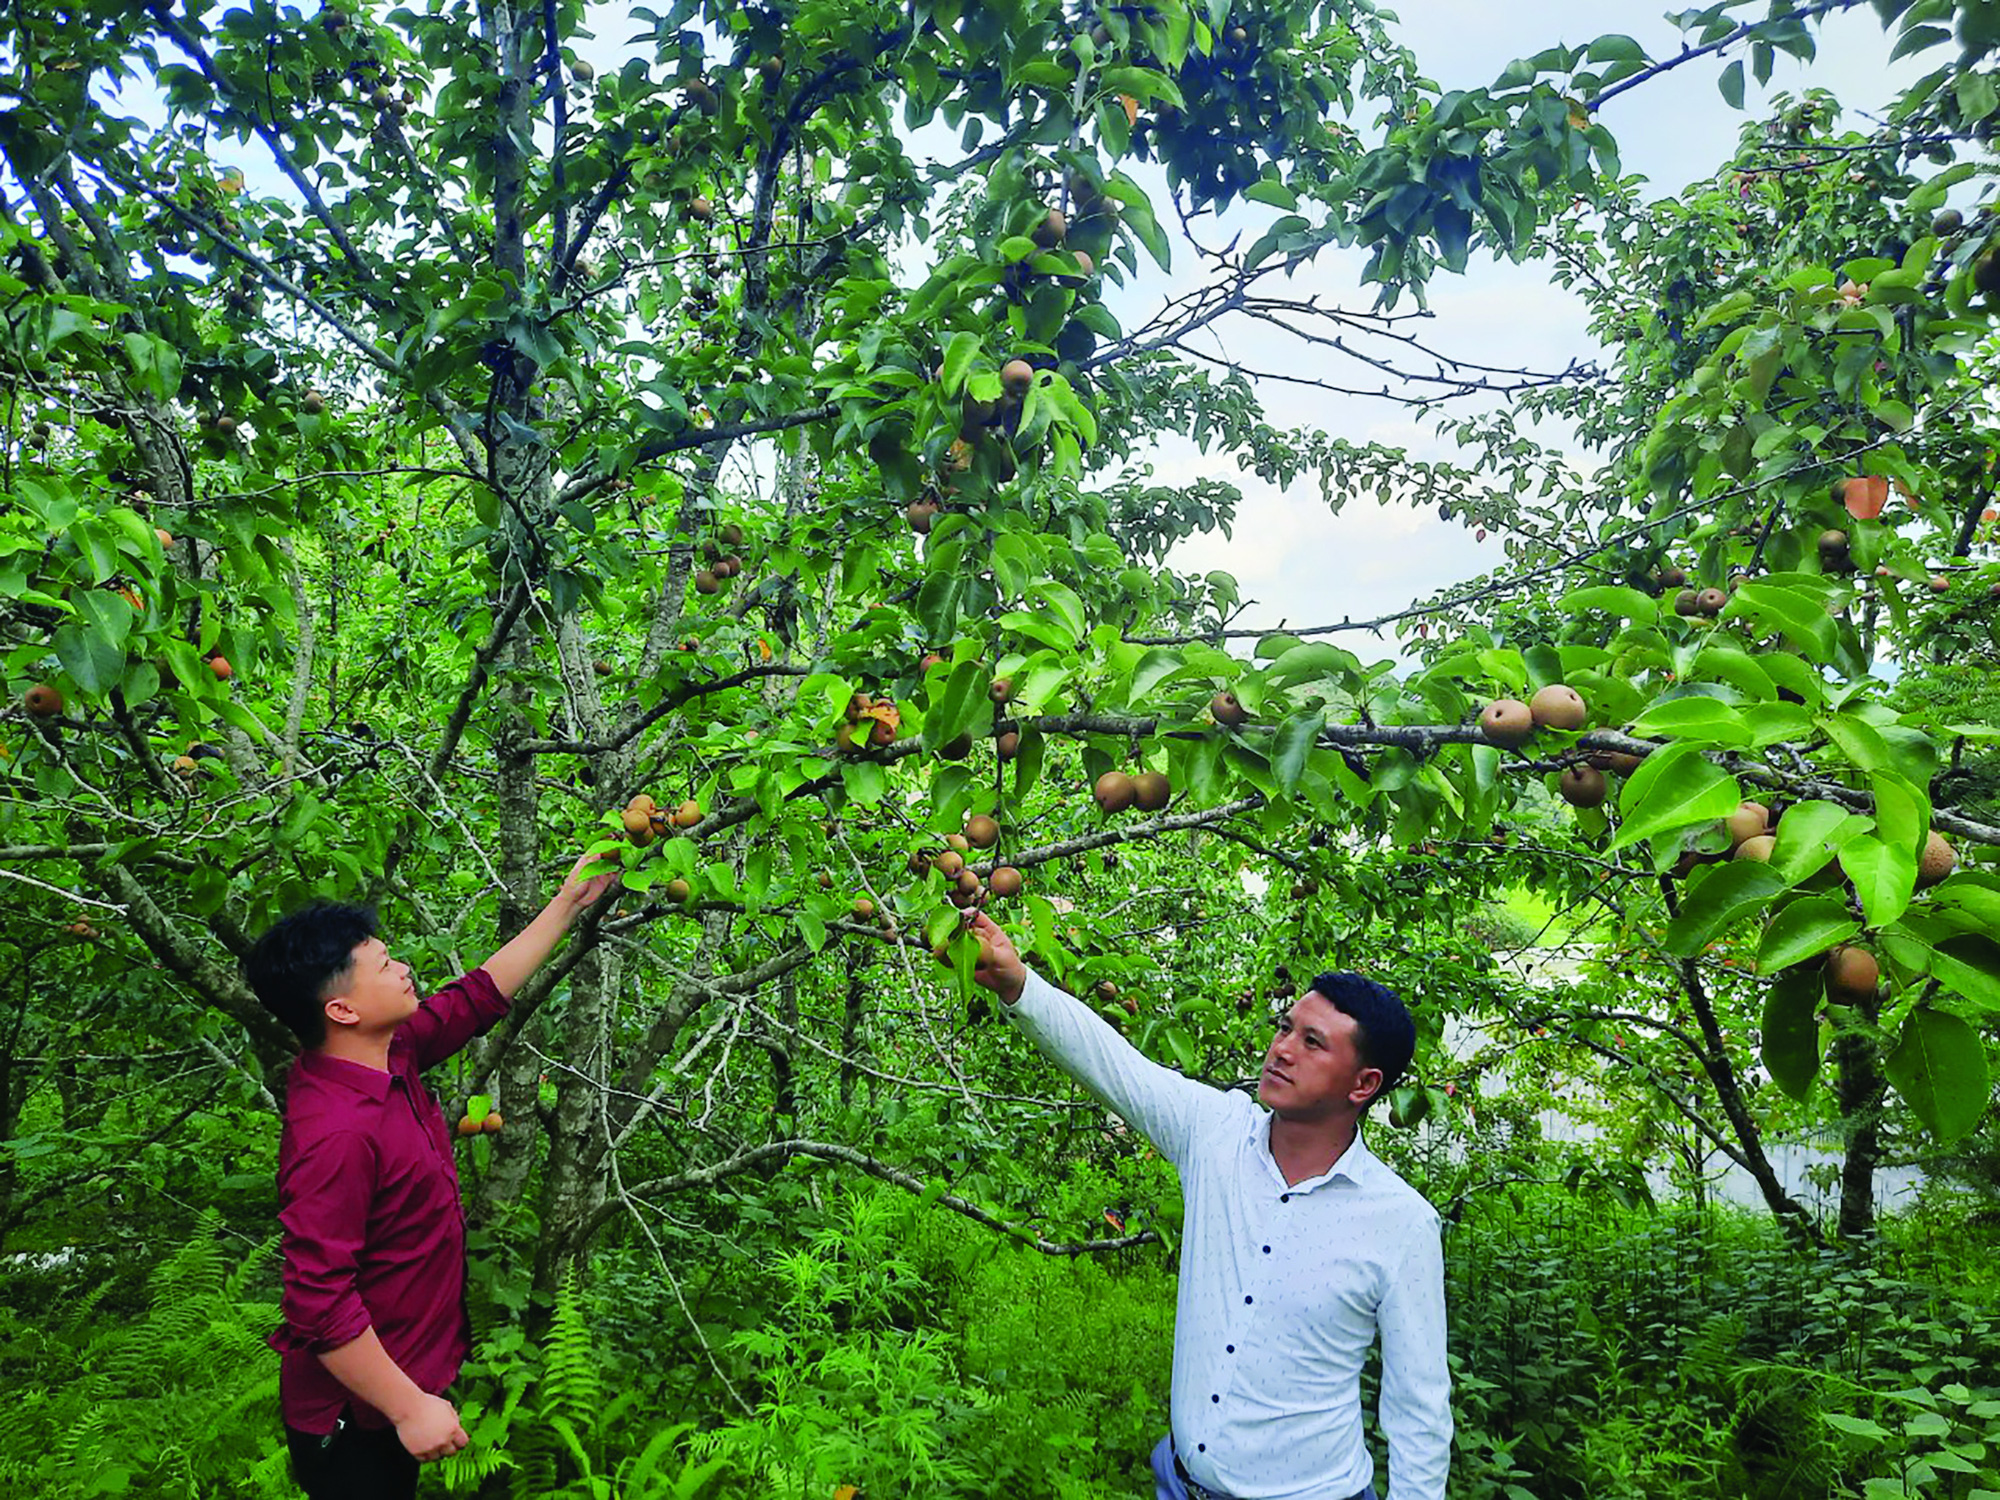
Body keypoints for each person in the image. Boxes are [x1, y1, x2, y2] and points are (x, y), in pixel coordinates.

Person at [959, 912, 1451, 1500]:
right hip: (1180, 1484)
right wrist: (1018, 983)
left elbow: (1418, 1416)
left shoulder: (1400, 1223)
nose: (1282, 1049)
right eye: (1286, 1028)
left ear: (1363, 1085)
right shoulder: (1215, 1133)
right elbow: (1115, 1066)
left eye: (1312, 1042)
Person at [243, 852, 616, 1499]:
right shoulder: (335, 1135)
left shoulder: (392, 1051)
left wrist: (568, 904)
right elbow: (317, 1303)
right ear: (341, 1011)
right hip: (356, 1420)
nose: (405, 968)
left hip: (416, 1377)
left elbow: (478, 996)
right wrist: (408, 1408)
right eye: (385, 966)